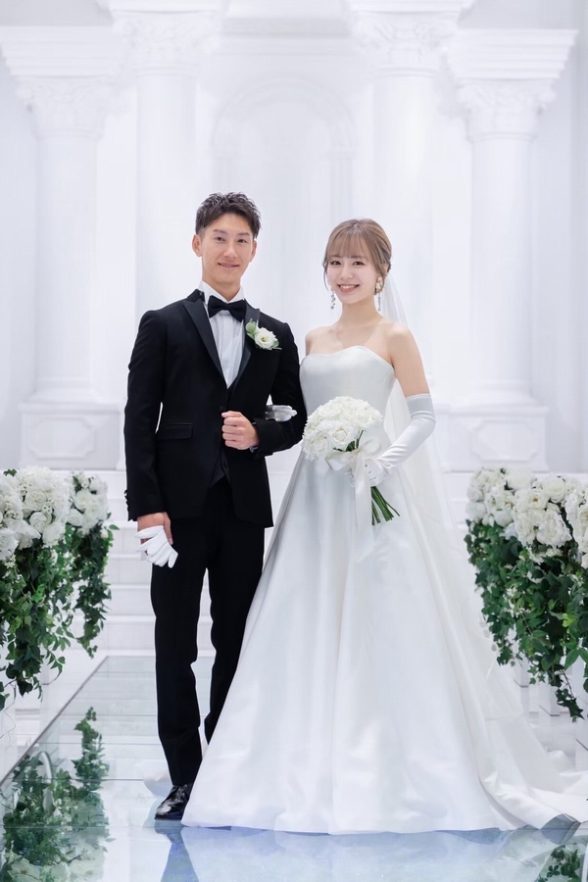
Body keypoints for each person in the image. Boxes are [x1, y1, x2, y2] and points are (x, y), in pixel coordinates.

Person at [181, 218, 588, 834]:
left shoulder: (394, 335)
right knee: (301, 610)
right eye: (336, 263)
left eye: (358, 264)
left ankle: (388, 756)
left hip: (373, 489)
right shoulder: (311, 338)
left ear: (380, 273)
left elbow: (423, 416)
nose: (345, 274)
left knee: (384, 614)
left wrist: (379, 460)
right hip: (316, 494)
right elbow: (297, 412)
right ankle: (282, 761)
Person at [124, 192, 306, 821]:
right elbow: (138, 420)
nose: (230, 250)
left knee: (236, 639)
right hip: (176, 511)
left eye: (242, 240)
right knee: (174, 643)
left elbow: (297, 417)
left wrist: (261, 434)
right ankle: (184, 776)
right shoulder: (163, 323)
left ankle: (224, 769)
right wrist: (147, 507)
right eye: (220, 238)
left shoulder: (275, 333)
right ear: (197, 242)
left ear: (255, 249)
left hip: (242, 510)